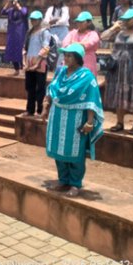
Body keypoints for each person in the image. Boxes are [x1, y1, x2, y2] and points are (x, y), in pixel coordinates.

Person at [43, 42, 104, 194]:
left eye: (69, 55)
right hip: (57, 116)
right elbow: (51, 89)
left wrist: (90, 122)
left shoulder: (86, 76)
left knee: (75, 151)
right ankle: (63, 180)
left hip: (75, 118)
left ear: (77, 58)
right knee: (59, 148)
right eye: (65, 55)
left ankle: (75, 183)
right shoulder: (61, 72)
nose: (66, 58)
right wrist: (46, 106)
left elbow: (92, 99)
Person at [102, 8, 133, 134]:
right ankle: (119, 122)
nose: (125, 22)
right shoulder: (119, 33)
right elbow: (103, 37)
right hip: (117, 67)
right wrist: (114, 28)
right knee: (119, 92)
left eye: (128, 19)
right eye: (124, 19)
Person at [22, 14, 54, 118]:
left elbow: (46, 47)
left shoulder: (45, 32)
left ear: (40, 20)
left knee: (40, 88)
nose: (33, 21)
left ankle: (40, 111)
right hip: (29, 62)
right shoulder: (29, 32)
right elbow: (25, 48)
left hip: (40, 63)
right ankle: (30, 109)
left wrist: (37, 63)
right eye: (32, 19)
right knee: (30, 87)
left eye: (35, 19)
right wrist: (25, 61)